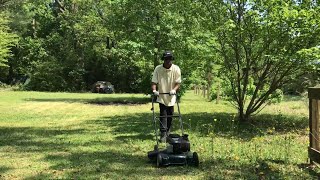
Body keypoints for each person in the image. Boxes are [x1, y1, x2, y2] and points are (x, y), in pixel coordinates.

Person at [151, 50, 181, 142]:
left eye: (169, 59)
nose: (168, 61)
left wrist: (174, 90)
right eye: (166, 59)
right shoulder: (158, 69)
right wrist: (154, 90)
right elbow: (154, 81)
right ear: (163, 60)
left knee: (170, 115)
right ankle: (163, 134)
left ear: (172, 59)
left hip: (171, 96)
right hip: (162, 96)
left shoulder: (176, 69)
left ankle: (168, 132)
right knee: (163, 115)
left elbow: (178, 83)